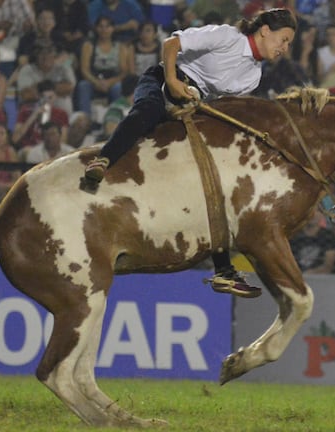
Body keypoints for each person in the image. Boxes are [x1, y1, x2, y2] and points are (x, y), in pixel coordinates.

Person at [84, 8, 297, 298]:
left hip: (195, 105)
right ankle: (103, 159)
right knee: (147, 111)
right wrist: (172, 81)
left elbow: (219, 107)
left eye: (288, 44)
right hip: (165, 78)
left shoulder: (253, 77)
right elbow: (171, 44)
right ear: (264, 31)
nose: (284, 48)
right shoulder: (227, 36)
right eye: (283, 40)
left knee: (215, 180)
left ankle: (223, 271)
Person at [76, 16, 133, 114]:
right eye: (101, 26)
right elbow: (84, 69)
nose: (104, 30)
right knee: (83, 85)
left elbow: (124, 71)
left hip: (112, 80)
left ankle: (116, 117)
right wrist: (96, 82)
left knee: (118, 87)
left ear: (112, 28)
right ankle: (85, 118)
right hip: (93, 79)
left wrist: (109, 82)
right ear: (96, 28)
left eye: (107, 26)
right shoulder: (89, 45)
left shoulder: (120, 47)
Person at [290, 209, 335, 273]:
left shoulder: (328, 236)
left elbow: (328, 266)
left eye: (317, 211)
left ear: (322, 215)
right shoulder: (294, 235)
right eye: (310, 210)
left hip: (321, 279)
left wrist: (309, 273)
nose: (313, 214)